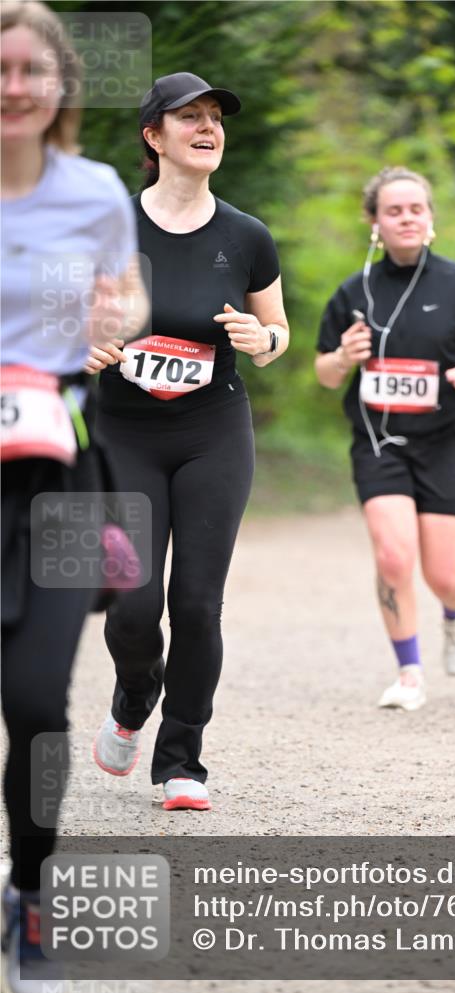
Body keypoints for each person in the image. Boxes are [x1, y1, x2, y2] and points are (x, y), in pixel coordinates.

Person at [87, 72, 289, 811]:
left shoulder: (244, 235)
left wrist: (260, 337)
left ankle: (182, 762)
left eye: (215, 119)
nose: (208, 128)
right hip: (123, 434)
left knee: (198, 604)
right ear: (154, 136)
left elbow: (277, 334)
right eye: (190, 118)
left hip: (213, 432)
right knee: (134, 609)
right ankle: (134, 690)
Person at [0, 2, 147, 993]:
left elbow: (130, 293)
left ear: (59, 87)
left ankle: (35, 891)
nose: (11, 86)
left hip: (55, 469)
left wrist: (118, 313)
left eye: (27, 70)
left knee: (36, 702)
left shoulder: (96, 191)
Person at [315, 166, 455, 711]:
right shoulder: (355, 291)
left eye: (416, 209)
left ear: (431, 219)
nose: (406, 218)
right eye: (394, 210)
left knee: (444, 575)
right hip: (379, 443)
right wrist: (342, 358)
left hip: (446, 441)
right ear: (374, 221)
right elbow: (325, 374)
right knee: (394, 557)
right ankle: (408, 673)